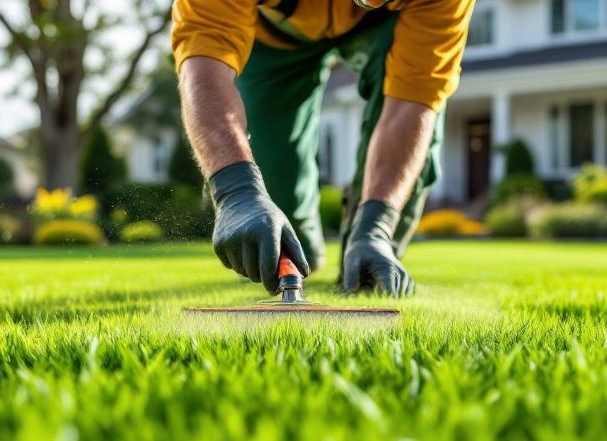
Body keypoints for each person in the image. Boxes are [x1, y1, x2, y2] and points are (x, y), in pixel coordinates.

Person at [173, 0, 476, 297]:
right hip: (271, 35)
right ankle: (300, 253)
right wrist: (234, 188)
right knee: (274, 231)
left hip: (387, 26)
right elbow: (203, 61)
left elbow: (412, 102)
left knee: (370, 261)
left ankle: (366, 255)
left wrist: (377, 226)